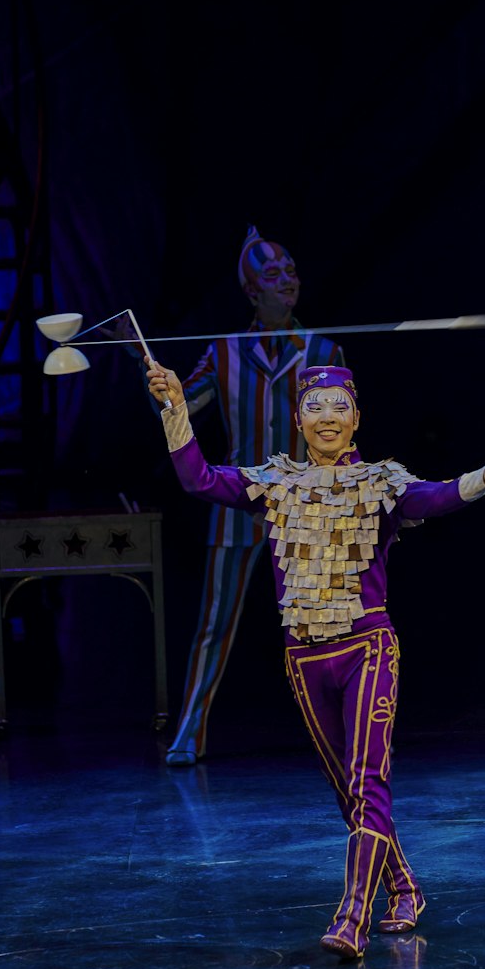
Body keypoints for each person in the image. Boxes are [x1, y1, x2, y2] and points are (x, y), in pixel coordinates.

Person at [144, 357, 485, 959]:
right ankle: (404, 887)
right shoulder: (275, 484)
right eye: (314, 407)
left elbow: (435, 497)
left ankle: (352, 915)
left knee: (367, 779)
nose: (327, 417)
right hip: (303, 657)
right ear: (298, 419)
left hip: (366, 648)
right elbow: (198, 479)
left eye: (339, 407)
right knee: (348, 792)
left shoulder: (380, 483)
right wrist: (175, 405)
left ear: (358, 418)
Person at [160, 226, 345, 767]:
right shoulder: (224, 352)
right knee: (214, 623)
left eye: (291, 272)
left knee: (328, 623)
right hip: (240, 504)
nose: (287, 281)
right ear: (250, 290)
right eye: (273, 274)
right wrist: (164, 391)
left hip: (308, 509)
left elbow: (343, 424)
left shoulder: (323, 349)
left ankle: (342, 730)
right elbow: (182, 410)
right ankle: (189, 731)